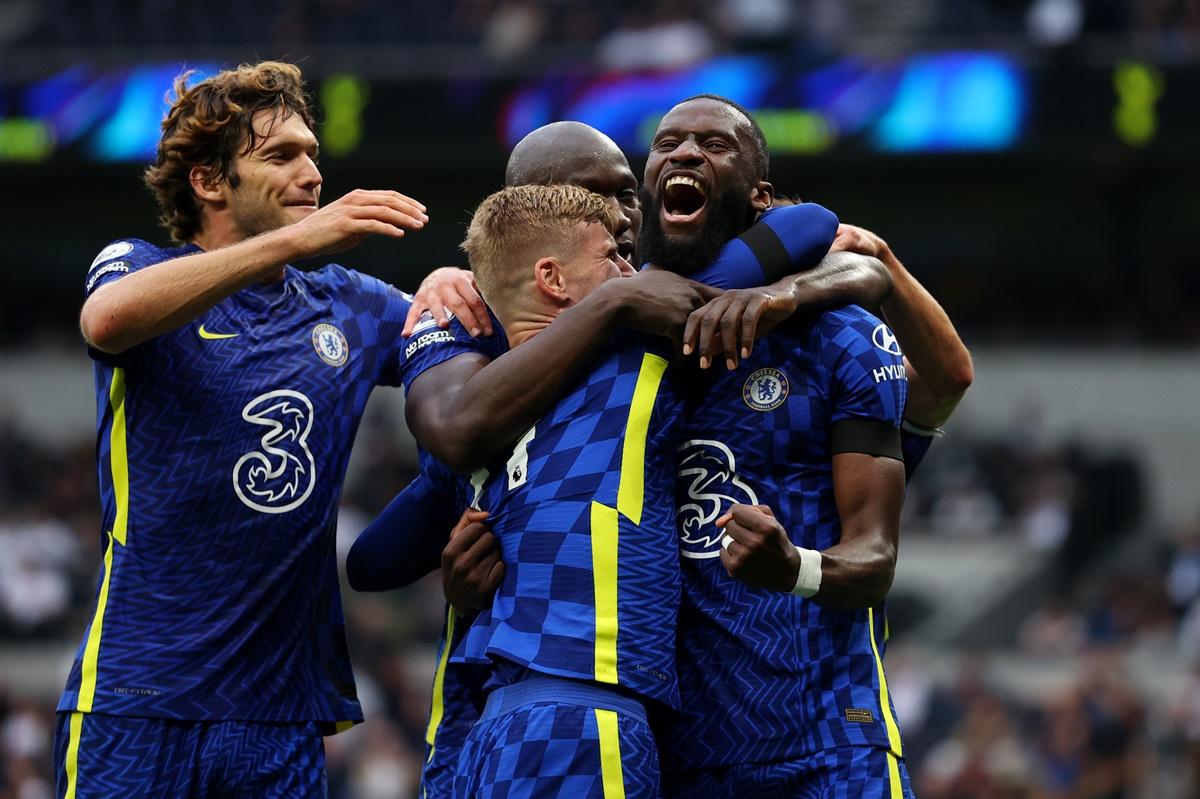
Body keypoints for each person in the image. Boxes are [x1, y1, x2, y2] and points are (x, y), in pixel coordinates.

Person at [55, 60, 463, 798]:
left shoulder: (353, 304)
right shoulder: (136, 264)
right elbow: (106, 321)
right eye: (281, 156)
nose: (312, 174)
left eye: (312, 153)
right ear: (210, 182)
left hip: (280, 717)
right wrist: (292, 244)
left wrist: (447, 286)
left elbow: (470, 354)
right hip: (134, 701)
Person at [639, 95, 969, 798]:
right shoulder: (621, 355)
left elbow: (875, 555)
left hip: (825, 743)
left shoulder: (838, 338)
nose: (686, 153)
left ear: (760, 202)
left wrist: (794, 567)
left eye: (713, 144)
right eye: (667, 141)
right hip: (672, 754)